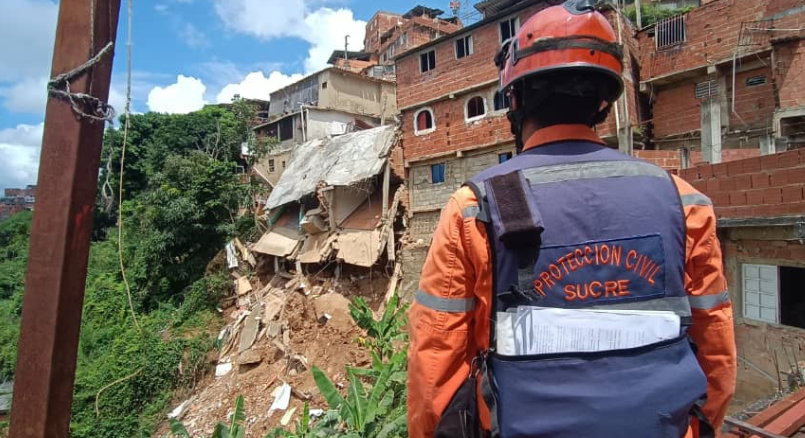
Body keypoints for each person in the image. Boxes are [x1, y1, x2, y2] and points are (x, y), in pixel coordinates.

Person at [406, 1, 737, 437]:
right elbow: (716, 353)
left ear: (516, 100)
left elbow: (437, 369)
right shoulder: (682, 201)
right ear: (603, 103)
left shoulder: (477, 207)